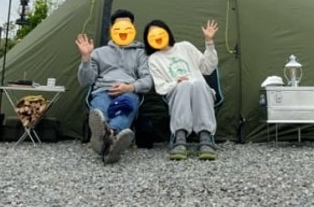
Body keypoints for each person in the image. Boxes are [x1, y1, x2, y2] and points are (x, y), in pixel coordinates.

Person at [76, 9, 152, 164]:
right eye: (119, 26)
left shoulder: (141, 53)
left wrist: (130, 87)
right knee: (101, 113)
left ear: (133, 28)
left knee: (123, 110)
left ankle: (107, 137)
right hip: (103, 91)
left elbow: (148, 80)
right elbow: (85, 81)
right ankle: (112, 141)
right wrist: (85, 58)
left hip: (129, 91)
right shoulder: (98, 53)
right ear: (112, 29)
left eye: (127, 26)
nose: (123, 30)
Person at [143, 18, 219, 160]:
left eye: (159, 32)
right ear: (148, 40)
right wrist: (175, 82)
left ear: (167, 32)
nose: (157, 36)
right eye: (152, 35)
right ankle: (180, 137)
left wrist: (209, 42)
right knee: (183, 85)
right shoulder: (154, 59)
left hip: (200, 91)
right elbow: (160, 87)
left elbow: (208, 68)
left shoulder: (185, 47)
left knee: (197, 84)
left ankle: (205, 137)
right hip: (177, 93)